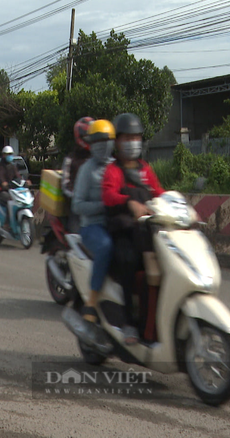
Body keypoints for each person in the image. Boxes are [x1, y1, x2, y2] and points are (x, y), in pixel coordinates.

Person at [102, 113, 165, 345]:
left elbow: (159, 192)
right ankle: (128, 321)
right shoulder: (113, 170)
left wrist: (180, 206)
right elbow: (108, 194)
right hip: (123, 233)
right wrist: (128, 202)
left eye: (136, 137)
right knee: (129, 262)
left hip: (146, 233)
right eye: (127, 138)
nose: (132, 142)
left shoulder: (145, 169)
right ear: (117, 142)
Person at [71, 119, 116, 327]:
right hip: (92, 227)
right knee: (106, 247)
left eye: (106, 140)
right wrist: (103, 205)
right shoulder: (87, 170)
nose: (102, 145)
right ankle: (92, 300)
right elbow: (77, 205)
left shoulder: (117, 167)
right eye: (97, 141)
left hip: (115, 224)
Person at [62, 117, 94, 233]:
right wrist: (80, 197)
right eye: (89, 136)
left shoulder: (99, 159)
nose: (92, 140)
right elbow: (66, 186)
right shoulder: (70, 159)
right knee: (77, 238)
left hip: (98, 206)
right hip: (77, 209)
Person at [0, 146, 29, 230]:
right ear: (3, 155)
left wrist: (24, 181)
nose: (9, 156)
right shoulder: (1, 165)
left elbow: (17, 176)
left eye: (10, 154)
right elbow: (1, 175)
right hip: (3, 190)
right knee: (10, 201)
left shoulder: (13, 165)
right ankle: (7, 223)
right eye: (7, 154)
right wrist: (4, 183)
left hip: (13, 189)